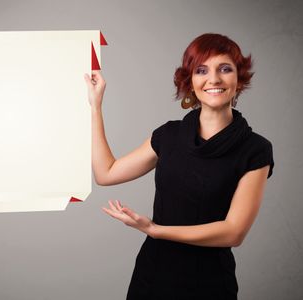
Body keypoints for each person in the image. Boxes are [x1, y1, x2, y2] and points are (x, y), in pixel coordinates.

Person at [83, 33, 275, 299]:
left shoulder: (255, 149)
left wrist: (155, 230)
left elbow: (233, 232)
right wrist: (95, 106)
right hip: (152, 278)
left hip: (209, 283)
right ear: (190, 81)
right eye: (201, 70)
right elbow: (106, 173)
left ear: (239, 79)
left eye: (225, 69)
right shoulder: (169, 136)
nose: (214, 79)